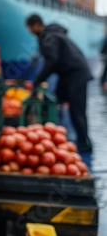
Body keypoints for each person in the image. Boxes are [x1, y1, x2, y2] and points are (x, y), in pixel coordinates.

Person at [25, 14, 93, 153]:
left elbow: (52, 61)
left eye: (30, 28)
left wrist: (38, 80)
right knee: (58, 98)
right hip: (67, 75)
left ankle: (84, 143)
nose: (30, 31)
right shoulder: (51, 35)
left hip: (76, 74)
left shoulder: (49, 37)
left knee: (77, 110)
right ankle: (58, 133)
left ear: (36, 25)